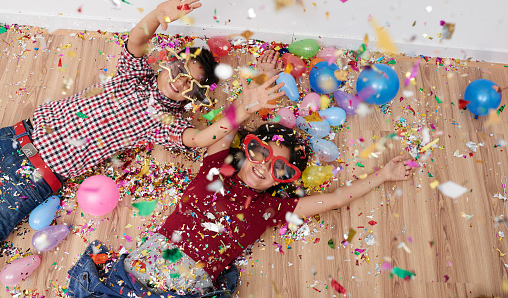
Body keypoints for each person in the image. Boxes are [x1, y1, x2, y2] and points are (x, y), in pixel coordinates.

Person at [0, 0, 285, 242]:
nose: (181, 82)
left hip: (36, 179)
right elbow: (136, 41)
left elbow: (200, 138)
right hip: (16, 136)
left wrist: (243, 108)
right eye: (179, 70)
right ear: (166, 63)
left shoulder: (165, 123)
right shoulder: (133, 77)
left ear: (193, 98)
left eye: (192, 85)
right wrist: (158, 13)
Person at [67, 123, 415, 297]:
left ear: (284, 180)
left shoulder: (272, 208)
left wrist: (383, 175)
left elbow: (337, 199)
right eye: (262, 153)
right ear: (247, 150)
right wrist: (255, 91)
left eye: (281, 168)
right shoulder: (214, 168)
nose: (267, 167)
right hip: (129, 278)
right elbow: (227, 126)